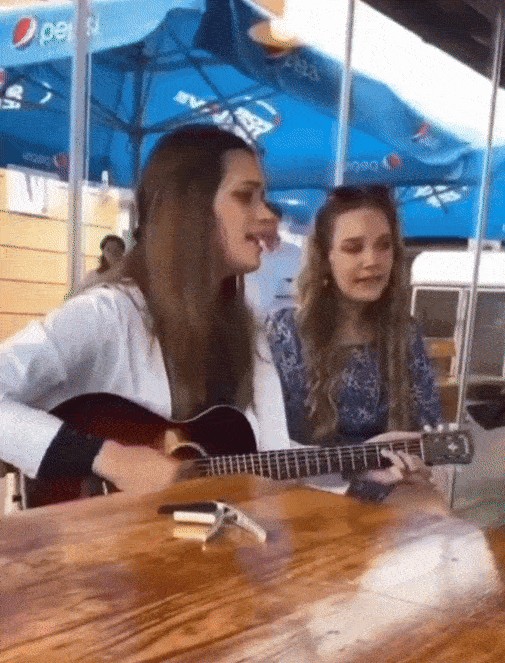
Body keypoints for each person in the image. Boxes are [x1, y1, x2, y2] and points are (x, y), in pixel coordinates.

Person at [0, 124, 291, 500]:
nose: (268, 214)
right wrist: (110, 459)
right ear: (190, 208)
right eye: (245, 196)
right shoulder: (108, 315)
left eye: (263, 198)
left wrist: (357, 461)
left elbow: (274, 457)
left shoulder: (246, 332)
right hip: (98, 531)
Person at [266, 185, 443, 501]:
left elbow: (427, 431)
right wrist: (355, 472)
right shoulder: (286, 333)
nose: (372, 260)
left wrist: (415, 464)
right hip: (308, 496)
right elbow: (269, 442)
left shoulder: (406, 333)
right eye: (353, 248)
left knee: (435, 509)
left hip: (392, 494)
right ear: (326, 257)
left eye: (384, 246)